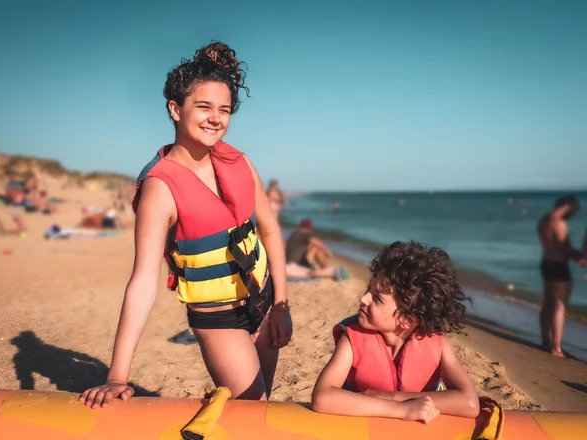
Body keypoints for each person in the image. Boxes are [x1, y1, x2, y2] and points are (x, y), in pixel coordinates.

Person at [79, 42, 291, 409]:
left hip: (266, 300)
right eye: (204, 107)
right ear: (175, 109)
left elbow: (270, 230)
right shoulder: (160, 188)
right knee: (252, 407)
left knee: (263, 406)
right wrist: (117, 375)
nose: (216, 118)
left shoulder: (238, 161)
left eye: (224, 110)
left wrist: (282, 305)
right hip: (219, 318)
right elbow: (143, 280)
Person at [312, 242, 479, 423]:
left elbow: (470, 403)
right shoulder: (352, 338)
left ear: (407, 320)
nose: (363, 298)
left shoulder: (436, 344)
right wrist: (401, 409)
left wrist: (391, 398)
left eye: (377, 298)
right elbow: (322, 397)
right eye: (369, 288)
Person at [537, 195, 587, 357]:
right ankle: (557, 347)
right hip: (559, 266)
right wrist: (581, 257)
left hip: (546, 263)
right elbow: (564, 248)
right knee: (559, 306)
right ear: (567, 207)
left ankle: (545, 342)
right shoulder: (559, 224)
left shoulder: (543, 221)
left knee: (547, 304)